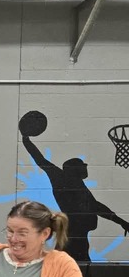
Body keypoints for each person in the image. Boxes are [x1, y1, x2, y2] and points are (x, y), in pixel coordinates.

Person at [21, 112, 129, 262]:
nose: (86, 169)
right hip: (73, 233)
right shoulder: (61, 178)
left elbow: (96, 206)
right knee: (71, 265)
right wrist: (26, 140)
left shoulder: (79, 185)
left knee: (76, 264)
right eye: (82, 166)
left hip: (79, 234)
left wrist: (120, 221)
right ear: (73, 169)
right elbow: (40, 160)